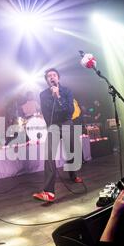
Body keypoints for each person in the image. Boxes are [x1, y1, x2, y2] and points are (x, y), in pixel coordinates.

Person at [32, 68, 83, 203]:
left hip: (66, 123)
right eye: (49, 76)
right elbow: (47, 113)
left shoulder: (67, 91)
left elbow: (70, 111)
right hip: (53, 126)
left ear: (58, 78)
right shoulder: (43, 94)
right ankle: (49, 191)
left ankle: (73, 175)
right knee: (49, 155)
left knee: (71, 151)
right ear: (47, 80)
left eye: (54, 75)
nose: (52, 77)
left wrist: (58, 97)